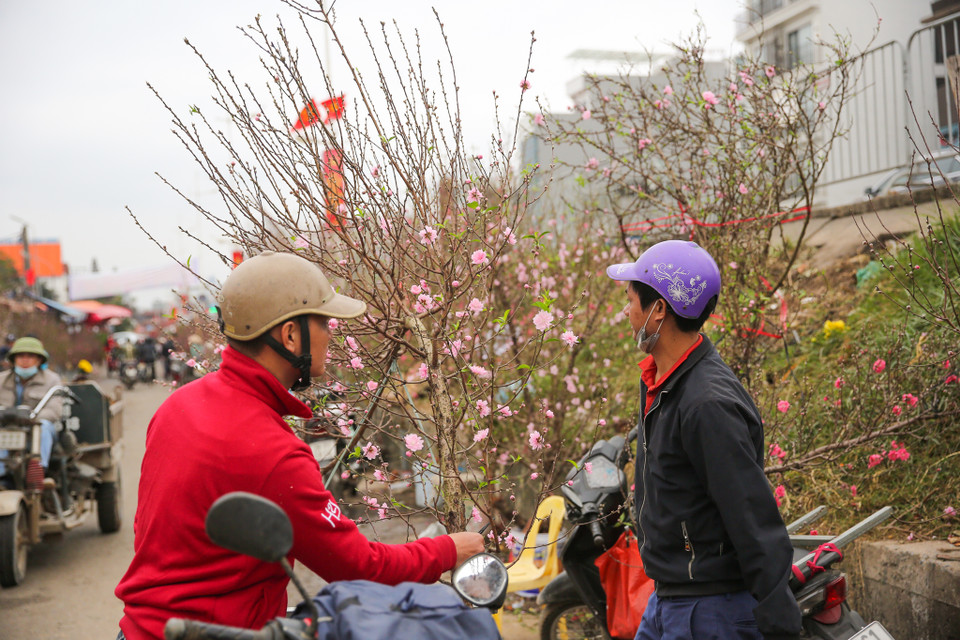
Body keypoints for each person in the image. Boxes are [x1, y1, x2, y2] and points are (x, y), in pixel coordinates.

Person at [115, 251, 484, 640]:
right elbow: (360, 566)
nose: (332, 332)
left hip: (139, 630)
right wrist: (446, 550)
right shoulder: (273, 451)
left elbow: (151, 529)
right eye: (324, 322)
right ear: (291, 335)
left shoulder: (177, 405)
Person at [606, 240, 801, 640]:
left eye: (631, 300)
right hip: (669, 597)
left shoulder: (706, 404)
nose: (627, 312)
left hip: (710, 609)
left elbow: (749, 510)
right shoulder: (662, 379)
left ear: (658, 309)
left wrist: (777, 610)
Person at [0, 337, 63, 478]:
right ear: (13, 359)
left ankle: (37, 472)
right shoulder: (2, 380)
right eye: (21, 356)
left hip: (35, 427)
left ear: (39, 360)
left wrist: (31, 418)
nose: (25, 360)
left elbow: (55, 409)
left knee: (43, 427)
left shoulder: (52, 379)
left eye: (30, 356)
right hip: (7, 427)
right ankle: (2, 475)